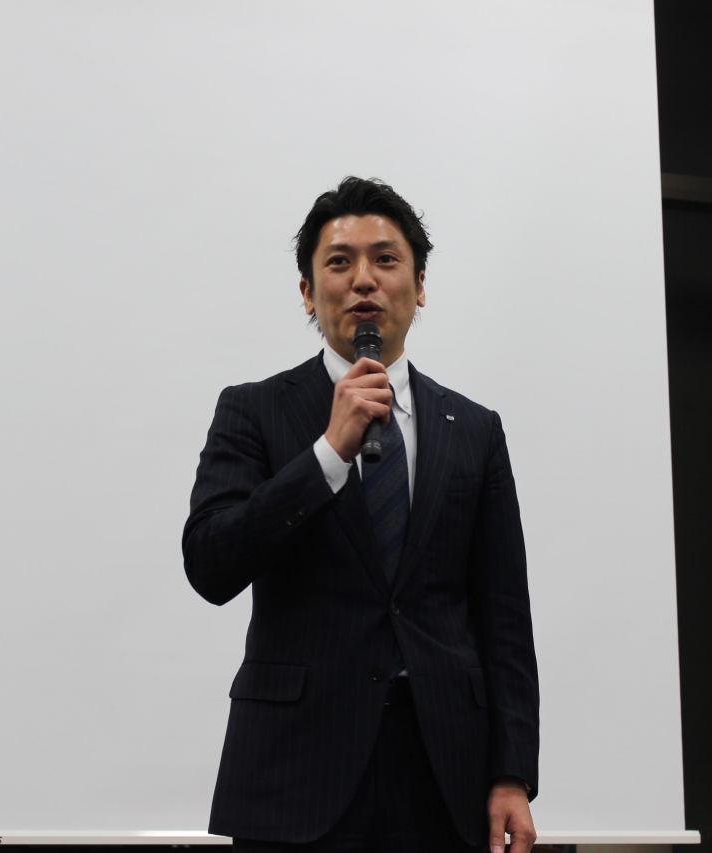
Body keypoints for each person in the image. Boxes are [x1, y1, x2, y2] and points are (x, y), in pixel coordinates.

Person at [183, 177, 539, 853]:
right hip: (297, 768)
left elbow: (504, 616)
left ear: (420, 285)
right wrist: (327, 453)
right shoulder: (253, 410)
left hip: (444, 770)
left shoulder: (475, 429)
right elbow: (210, 563)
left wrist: (512, 772)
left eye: (386, 259)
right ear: (307, 292)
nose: (364, 280)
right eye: (340, 262)